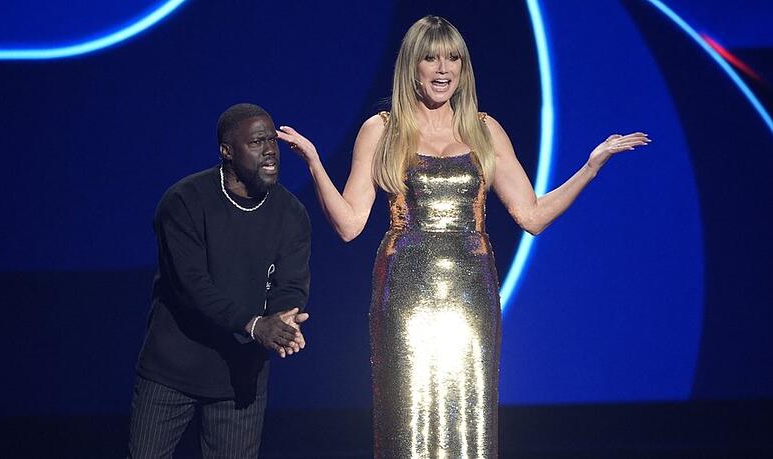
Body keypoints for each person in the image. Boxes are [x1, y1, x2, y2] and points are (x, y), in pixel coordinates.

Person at [277, 15, 649, 458]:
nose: (442, 69)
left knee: (467, 412)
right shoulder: (381, 129)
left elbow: (531, 215)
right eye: (431, 58)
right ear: (411, 66)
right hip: (405, 294)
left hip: (472, 293)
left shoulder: (484, 130)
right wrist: (316, 164)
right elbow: (350, 223)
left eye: (452, 58)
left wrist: (591, 166)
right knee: (408, 415)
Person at [128, 103, 312, 458]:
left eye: (272, 140)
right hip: (172, 371)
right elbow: (191, 285)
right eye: (258, 142)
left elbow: (290, 284)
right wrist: (254, 324)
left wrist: (284, 319)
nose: (270, 150)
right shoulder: (183, 202)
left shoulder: (291, 214)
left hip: (240, 377)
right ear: (227, 151)